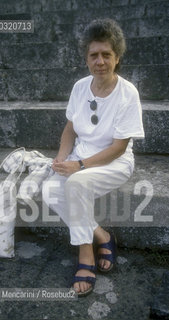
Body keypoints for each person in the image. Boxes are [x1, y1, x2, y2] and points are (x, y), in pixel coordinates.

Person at [42, 18, 144, 297]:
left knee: (76, 184)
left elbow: (120, 147)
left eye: (106, 55)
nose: (100, 61)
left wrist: (79, 166)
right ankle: (102, 235)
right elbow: (70, 129)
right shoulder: (79, 88)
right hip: (80, 155)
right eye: (94, 55)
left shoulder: (127, 93)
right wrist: (61, 160)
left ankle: (85, 252)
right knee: (49, 189)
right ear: (87, 59)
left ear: (117, 57)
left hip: (113, 162)